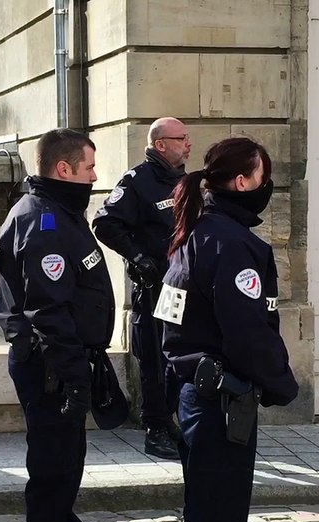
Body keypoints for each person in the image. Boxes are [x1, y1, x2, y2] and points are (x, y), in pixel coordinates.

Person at [159, 137, 298, 522]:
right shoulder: (231, 244)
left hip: (199, 397)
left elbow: (168, 326)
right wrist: (283, 385)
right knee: (219, 516)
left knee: (205, 509)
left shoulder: (196, 234)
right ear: (243, 182)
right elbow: (247, 333)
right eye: (264, 174)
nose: (268, 184)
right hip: (221, 402)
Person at [0, 129, 116, 522]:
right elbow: (47, 310)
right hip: (50, 365)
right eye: (88, 167)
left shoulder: (60, 213)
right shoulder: (44, 221)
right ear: (63, 170)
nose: (94, 175)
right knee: (52, 466)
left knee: (68, 460)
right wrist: (71, 375)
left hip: (61, 361)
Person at [93, 117, 192, 460]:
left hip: (182, 288)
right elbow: (105, 224)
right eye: (181, 139)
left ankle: (172, 420)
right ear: (160, 144)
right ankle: (156, 428)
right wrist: (137, 257)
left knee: (179, 355)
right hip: (155, 288)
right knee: (155, 356)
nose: (188, 144)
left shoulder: (186, 181)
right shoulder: (138, 181)